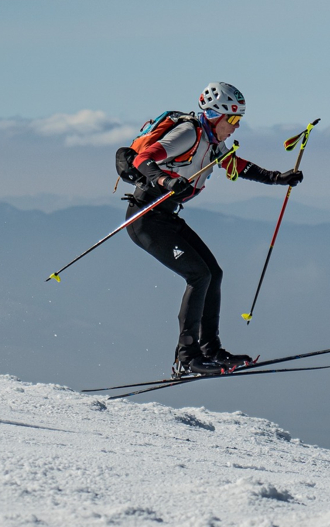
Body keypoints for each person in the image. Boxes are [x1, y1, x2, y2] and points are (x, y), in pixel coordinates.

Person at [125, 82, 303, 374]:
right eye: (233, 120)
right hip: (145, 218)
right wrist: (165, 181)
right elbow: (143, 159)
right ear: (215, 115)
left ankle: (211, 350)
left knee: (214, 274)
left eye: (238, 121)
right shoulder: (187, 134)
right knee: (199, 275)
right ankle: (188, 357)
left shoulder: (212, 141)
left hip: (165, 216)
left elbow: (235, 165)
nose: (236, 127)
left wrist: (277, 178)